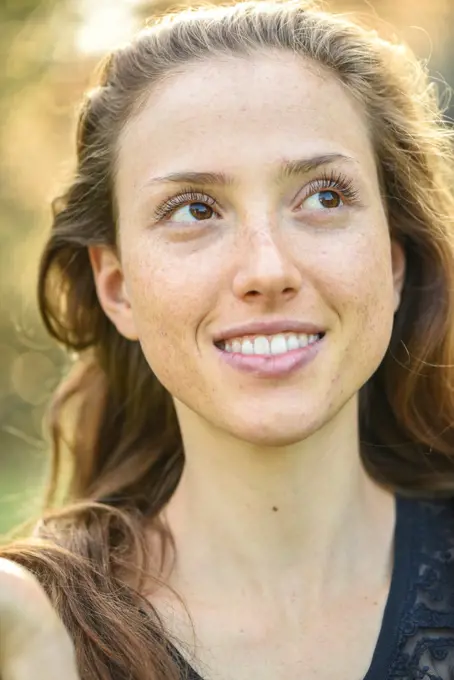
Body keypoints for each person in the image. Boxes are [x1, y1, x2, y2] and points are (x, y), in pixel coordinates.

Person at [1, 0, 454, 678]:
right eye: (194, 210)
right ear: (118, 286)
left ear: (393, 262)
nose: (266, 270)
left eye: (324, 198)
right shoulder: (28, 635)